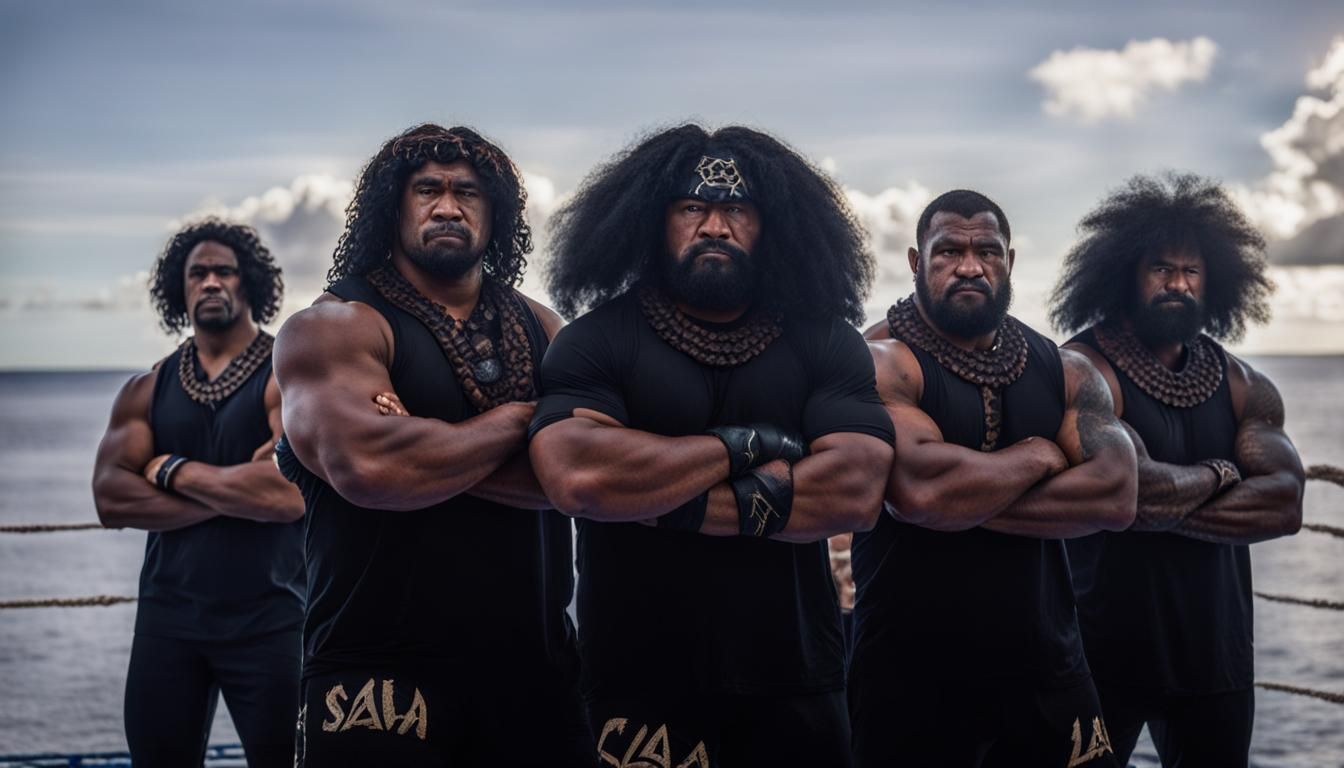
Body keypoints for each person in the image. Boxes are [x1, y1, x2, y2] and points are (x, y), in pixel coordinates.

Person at [528, 124, 894, 767]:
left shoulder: (825, 340)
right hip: (638, 678)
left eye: (736, 209)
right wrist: (746, 446)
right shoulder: (596, 339)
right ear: (651, 222)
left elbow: (856, 491)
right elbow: (582, 478)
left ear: (772, 224)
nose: (715, 227)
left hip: (796, 675)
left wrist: (668, 500)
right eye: (692, 207)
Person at [272, 123, 591, 767]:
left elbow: (585, 472)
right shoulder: (333, 327)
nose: (448, 207)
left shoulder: (547, 329)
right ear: (394, 207)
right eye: (428, 190)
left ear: (495, 214)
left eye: (467, 193)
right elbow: (371, 466)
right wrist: (527, 420)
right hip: (374, 675)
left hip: (536, 669)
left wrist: (422, 438)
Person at [850, 189, 1137, 767]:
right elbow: (923, 490)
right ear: (914, 261)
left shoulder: (1064, 368)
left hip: (1048, 666)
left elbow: (1117, 493)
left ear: (1011, 260)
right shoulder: (880, 359)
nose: (970, 266)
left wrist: (962, 500)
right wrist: (1038, 455)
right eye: (948, 250)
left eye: (988, 251)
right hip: (911, 673)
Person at [1050, 173, 1305, 767]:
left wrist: (1159, 502)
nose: (1178, 284)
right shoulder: (1084, 370)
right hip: (1099, 656)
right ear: (1124, 276)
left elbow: (1286, 504)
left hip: (1215, 658)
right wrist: (1221, 474)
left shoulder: (1245, 384)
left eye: (1192, 273)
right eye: (1161, 269)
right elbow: (1134, 495)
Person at [91, 219, 305, 768]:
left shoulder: (287, 374)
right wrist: (237, 492)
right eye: (198, 273)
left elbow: (287, 494)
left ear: (248, 283)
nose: (211, 282)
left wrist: (172, 470)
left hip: (273, 617)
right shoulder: (148, 387)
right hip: (169, 620)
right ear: (178, 289)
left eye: (224, 272)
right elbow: (111, 497)